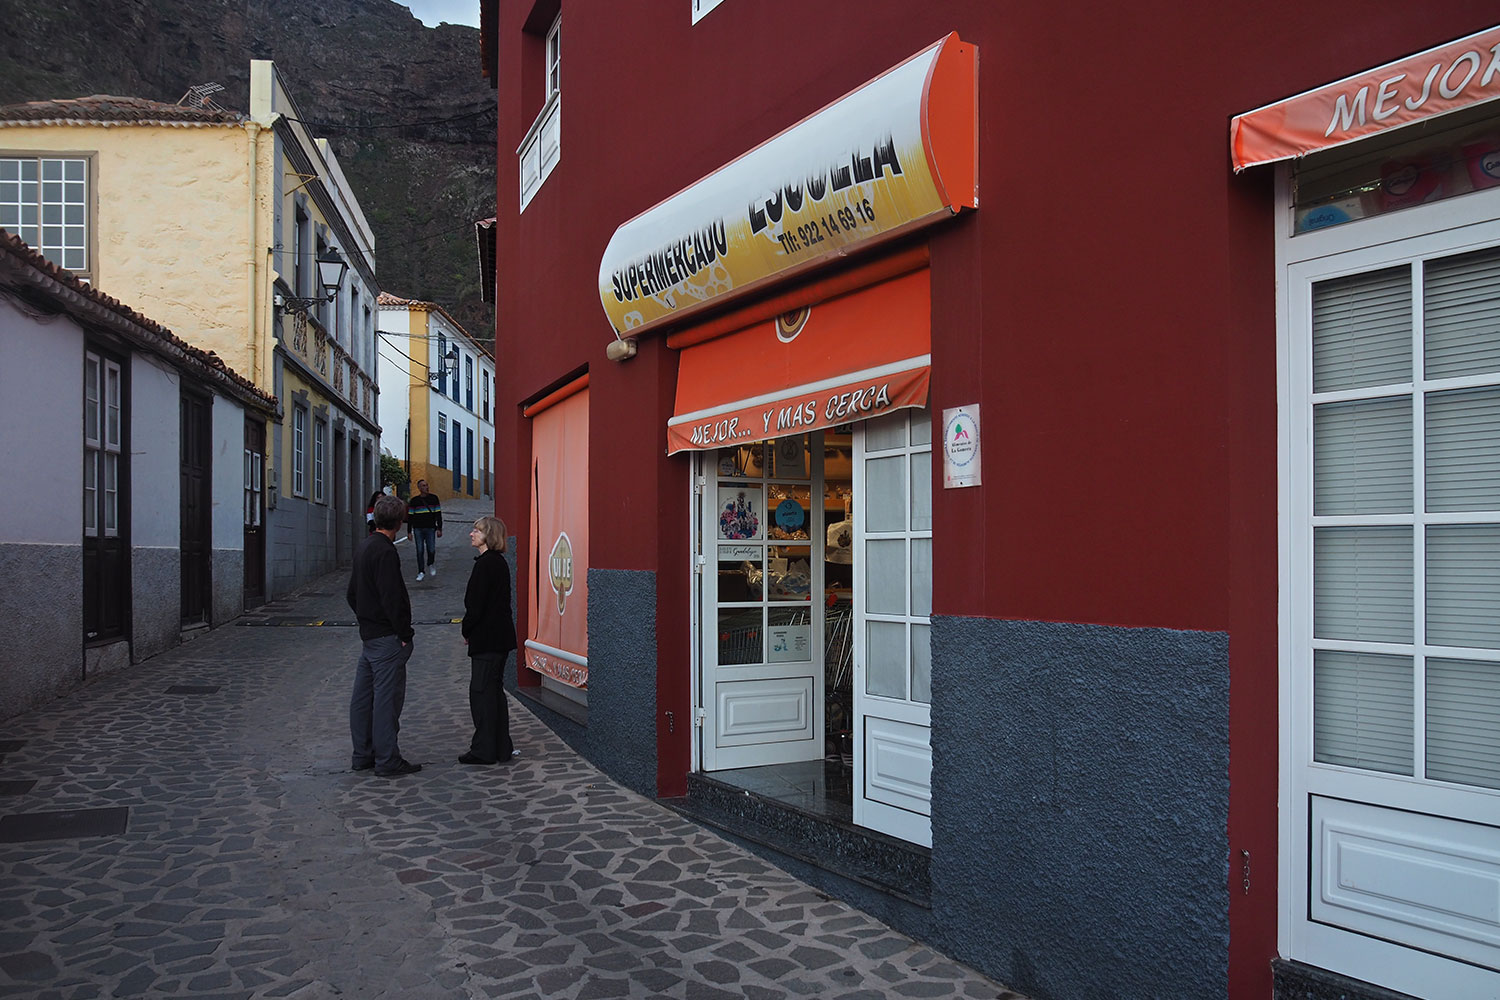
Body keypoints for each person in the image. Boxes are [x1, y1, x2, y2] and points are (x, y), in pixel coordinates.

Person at [347, 494, 421, 778]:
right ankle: (387, 758)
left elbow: (351, 593)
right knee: (386, 700)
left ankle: (362, 754)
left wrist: (365, 618)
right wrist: (404, 632)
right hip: (387, 636)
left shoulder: (364, 546)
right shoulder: (386, 552)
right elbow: (393, 598)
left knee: (363, 698)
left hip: (369, 634)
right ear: (400, 522)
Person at [458, 515, 517, 765]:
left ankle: (484, 749)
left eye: (477, 530)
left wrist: (467, 629)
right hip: (499, 639)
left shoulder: (485, 565)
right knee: (493, 693)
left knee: (481, 693)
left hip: (488, 639)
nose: (472, 533)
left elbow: (476, 605)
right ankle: (501, 747)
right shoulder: (498, 563)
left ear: (488, 535)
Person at [405, 480, 443, 581]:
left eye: (427, 485)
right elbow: (410, 517)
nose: (426, 487)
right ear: (419, 488)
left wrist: (439, 528)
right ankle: (421, 571)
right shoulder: (414, 501)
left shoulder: (434, 499)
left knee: (431, 549)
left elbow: (438, 514)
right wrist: (409, 531)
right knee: (420, 550)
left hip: (430, 528)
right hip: (418, 529)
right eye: (423, 486)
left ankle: (430, 563)